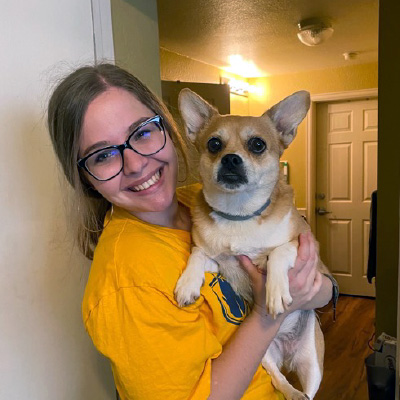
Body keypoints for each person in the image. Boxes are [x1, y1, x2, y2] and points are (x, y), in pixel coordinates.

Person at [47, 63, 334, 400]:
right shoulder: (127, 284)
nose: (136, 164)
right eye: (104, 155)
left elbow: (327, 289)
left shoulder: (201, 199)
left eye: (142, 133)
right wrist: (268, 314)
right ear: (84, 176)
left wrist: (306, 288)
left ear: (167, 129)